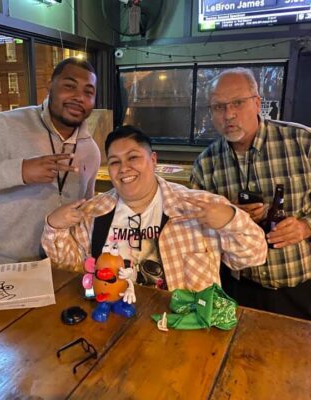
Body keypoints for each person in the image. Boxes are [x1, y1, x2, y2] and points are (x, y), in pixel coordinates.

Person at [41, 125, 267, 297]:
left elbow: (254, 256)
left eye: (133, 157)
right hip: (110, 321)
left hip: (182, 329)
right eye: (115, 162)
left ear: (153, 159)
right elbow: (70, 267)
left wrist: (230, 220)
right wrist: (54, 227)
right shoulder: (93, 211)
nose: (124, 168)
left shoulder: (197, 206)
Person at [0, 57, 101, 283]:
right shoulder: (7, 124)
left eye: (88, 92)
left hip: (49, 273)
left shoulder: (90, 151)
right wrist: (21, 171)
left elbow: (84, 216)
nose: (79, 97)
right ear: (50, 87)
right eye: (69, 86)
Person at [191, 67, 311, 319]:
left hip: (301, 288)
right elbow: (196, 236)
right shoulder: (206, 164)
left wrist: (305, 227)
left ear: (257, 103)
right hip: (238, 290)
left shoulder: (302, 142)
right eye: (218, 107)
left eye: (237, 103)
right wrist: (227, 218)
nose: (229, 114)